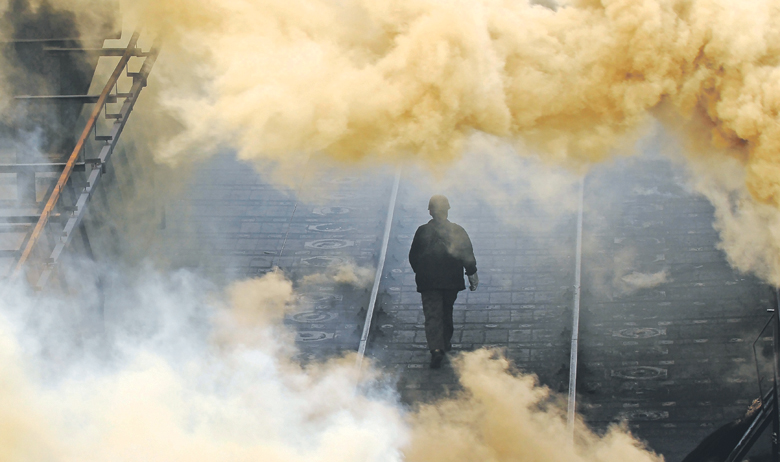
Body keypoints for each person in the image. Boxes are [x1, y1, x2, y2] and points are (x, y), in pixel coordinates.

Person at [408, 195, 478, 369]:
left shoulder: (422, 231)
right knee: (446, 311)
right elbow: (466, 253)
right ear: (447, 211)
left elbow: (413, 257)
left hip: (428, 282)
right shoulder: (457, 230)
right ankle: (445, 343)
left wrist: (422, 272)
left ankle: (436, 349)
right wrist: (471, 273)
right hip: (451, 281)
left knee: (432, 315)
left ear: (430, 212)